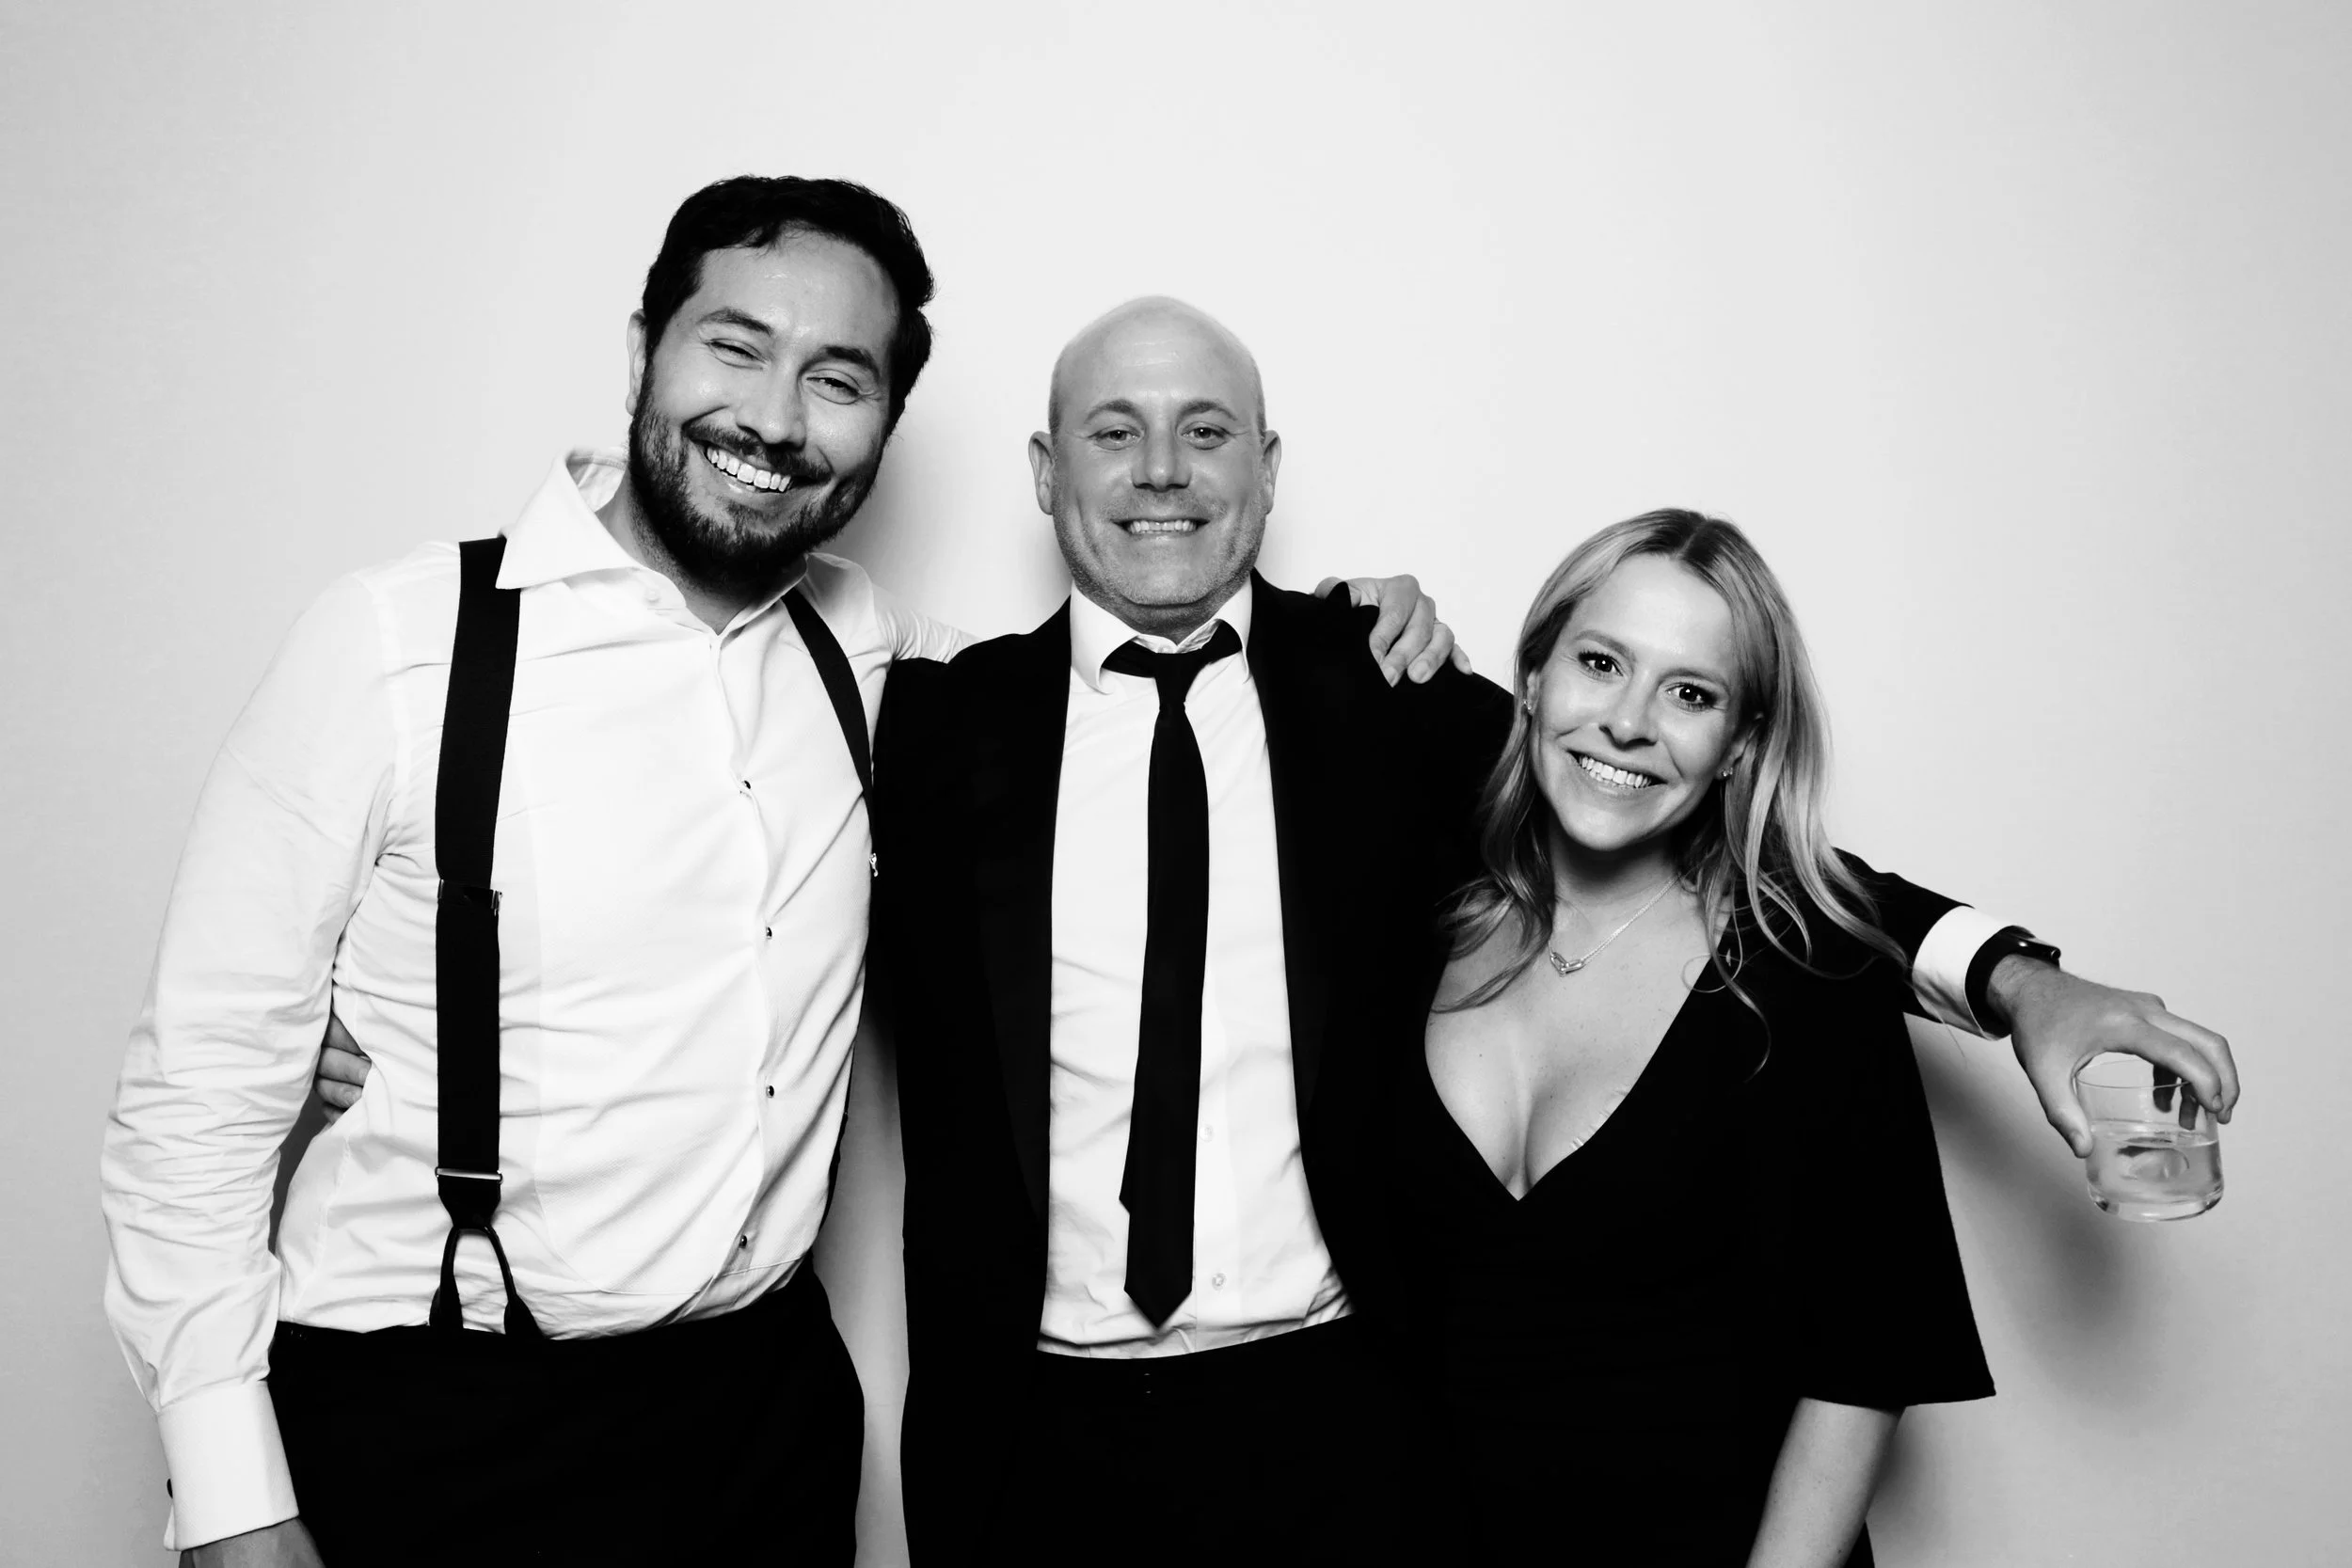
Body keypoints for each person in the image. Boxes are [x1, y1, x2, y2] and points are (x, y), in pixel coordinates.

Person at [99, 177, 1451, 1568]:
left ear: (884, 425)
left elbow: (1124, 674)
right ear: (642, 351)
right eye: (733, 347)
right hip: (437, 1412)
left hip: (762, 1425)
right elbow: (194, 1097)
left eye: (837, 377)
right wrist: (231, 1504)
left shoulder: (875, 662)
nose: (775, 417)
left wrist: (1364, 625)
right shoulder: (395, 641)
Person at [866, 297, 2234, 1563]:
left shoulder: (1386, 694)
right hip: (1032, 1444)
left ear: (1269, 469)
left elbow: (1737, 860)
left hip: (1348, 1428)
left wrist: (2014, 981)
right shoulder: (927, 728)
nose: (1161, 469)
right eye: (1116, 433)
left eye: (1205, 431)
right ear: (1047, 473)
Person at [1403, 512, 1999, 1565]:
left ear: (1741, 744)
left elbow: (1860, 1367)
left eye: (1690, 693)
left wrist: (2024, 977)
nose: (1628, 721)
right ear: (1532, 679)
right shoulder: (1416, 920)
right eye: (1599, 663)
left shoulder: (1804, 973)